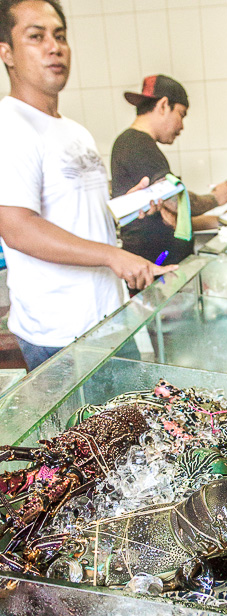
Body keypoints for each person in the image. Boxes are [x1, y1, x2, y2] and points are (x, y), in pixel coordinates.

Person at [0, 0, 174, 371]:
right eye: (36, 36)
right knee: (81, 431)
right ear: (7, 53)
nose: (54, 46)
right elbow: (17, 228)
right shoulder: (10, 127)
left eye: (60, 36)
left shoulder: (74, 130)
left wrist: (124, 207)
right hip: (59, 334)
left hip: (107, 317)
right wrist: (114, 256)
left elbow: (76, 212)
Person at [111, 75, 227, 266]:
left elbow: (171, 217)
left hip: (160, 263)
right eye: (181, 114)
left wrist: (222, 220)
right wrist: (216, 198)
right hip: (155, 268)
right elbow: (175, 201)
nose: (182, 126)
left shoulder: (136, 144)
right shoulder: (137, 144)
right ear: (163, 105)